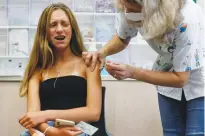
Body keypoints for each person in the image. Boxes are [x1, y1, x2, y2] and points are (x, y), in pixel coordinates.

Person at [82, 0, 205, 135]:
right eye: (124, 6)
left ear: (151, 8)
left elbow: (181, 79)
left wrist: (133, 72)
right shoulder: (128, 5)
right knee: (171, 133)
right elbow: (123, 37)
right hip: (167, 72)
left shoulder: (186, 18)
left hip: (198, 81)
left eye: (132, 9)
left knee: (196, 133)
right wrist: (102, 52)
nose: (127, 12)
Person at [19, 3, 103, 136]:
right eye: (53, 25)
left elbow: (93, 113)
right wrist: (52, 132)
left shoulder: (89, 63)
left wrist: (45, 115)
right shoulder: (37, 70)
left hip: (81, 127)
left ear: (72, 29)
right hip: (46, 129)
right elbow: (33, 117)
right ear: (44, 32)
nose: (59, 29)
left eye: (64, 24)